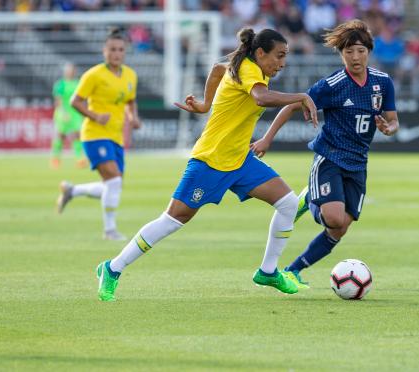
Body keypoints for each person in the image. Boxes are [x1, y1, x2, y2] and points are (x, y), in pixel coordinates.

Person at [94, 28, 319, 301]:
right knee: (173, 220)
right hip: (211, 160)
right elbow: (261, 98)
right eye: (279, 56)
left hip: (239, 159)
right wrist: (300, 96)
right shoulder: (249, 71)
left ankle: (268, 271)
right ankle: (113, 268)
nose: (282, 63)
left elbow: (216, 69)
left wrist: (205, 104)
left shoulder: (247, 68)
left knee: (287, 203)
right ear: (260, 53)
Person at [250, 20, 399, 288]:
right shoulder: (333, 84)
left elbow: (392, 119)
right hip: (329, 157)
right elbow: (293, 106)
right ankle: (310, 198)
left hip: (358, 164)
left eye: (360, 51)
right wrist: (267, 138)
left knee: (339, 227)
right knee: (332, 216)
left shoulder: (383, 83)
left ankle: (294, 270)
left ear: (369, 51)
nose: (355, 57)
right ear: (341, 53)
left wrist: (389, 128)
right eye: (349, 51)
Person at [56, 28, 141, 240]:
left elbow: (130, 100)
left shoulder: (130, 75)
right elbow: (75, 101)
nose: (116, 54)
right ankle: (110, 231)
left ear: (125, 52)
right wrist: (94, 115)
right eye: (112, 49)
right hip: (94, 134)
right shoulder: (93, 75)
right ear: (105, 51)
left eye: (121, 50)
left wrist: (133, 117)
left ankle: (71, 191)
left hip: (116, 137)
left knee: (113, 186)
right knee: (113, 183)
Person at [50, 62, 86, 169]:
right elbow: (58, 100)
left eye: (72, 70)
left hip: (75, 113)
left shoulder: (78, 83)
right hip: (62, 113)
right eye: (69, 70)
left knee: (77, 136)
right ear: (65, 71)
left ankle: (80, 159)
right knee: (60, 136)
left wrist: (83, 113)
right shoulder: (60, 84)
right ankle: (55, 158)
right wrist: (63, 112)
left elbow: (82, 99)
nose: (71, 72)